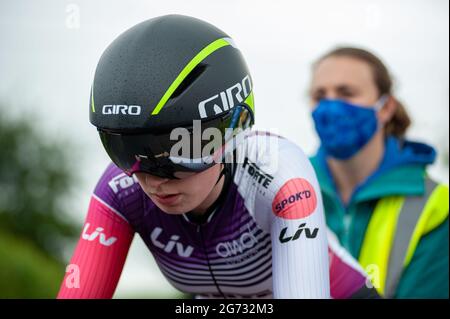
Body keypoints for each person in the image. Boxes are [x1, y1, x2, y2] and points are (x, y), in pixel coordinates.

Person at [57, 15, 378, 299]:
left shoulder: (279, 170)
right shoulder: (119, 189)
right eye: (125, 151)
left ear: (232, 130)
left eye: (181, 150)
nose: (153, 179)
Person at [309, 47, 449, 298]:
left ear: (385, 108)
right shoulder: (284, 188)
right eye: (320, 96)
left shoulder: (435, 207)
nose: (330, 105)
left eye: (346, 93)